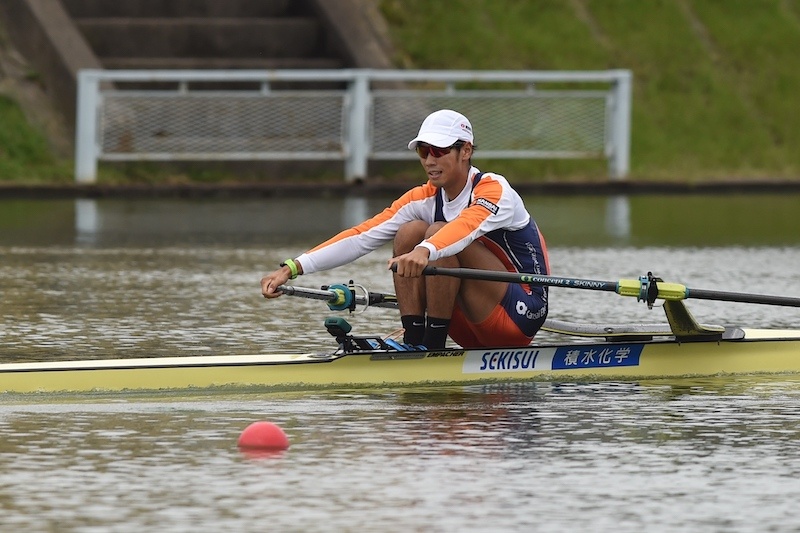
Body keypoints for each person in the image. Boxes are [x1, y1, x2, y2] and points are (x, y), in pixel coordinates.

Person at [261, 109, 550, 350]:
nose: (429, 160)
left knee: (435, 231)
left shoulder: (493, 189)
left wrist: (426, 250)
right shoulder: (423, 197)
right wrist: (292, 267)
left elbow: (466, 226)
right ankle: (415, 340)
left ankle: (433, 345)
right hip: (466, 322)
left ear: (466, 151)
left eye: (439, 150)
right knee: (409, 231)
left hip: (519, 315)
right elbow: (362, 236)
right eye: (424, 151)